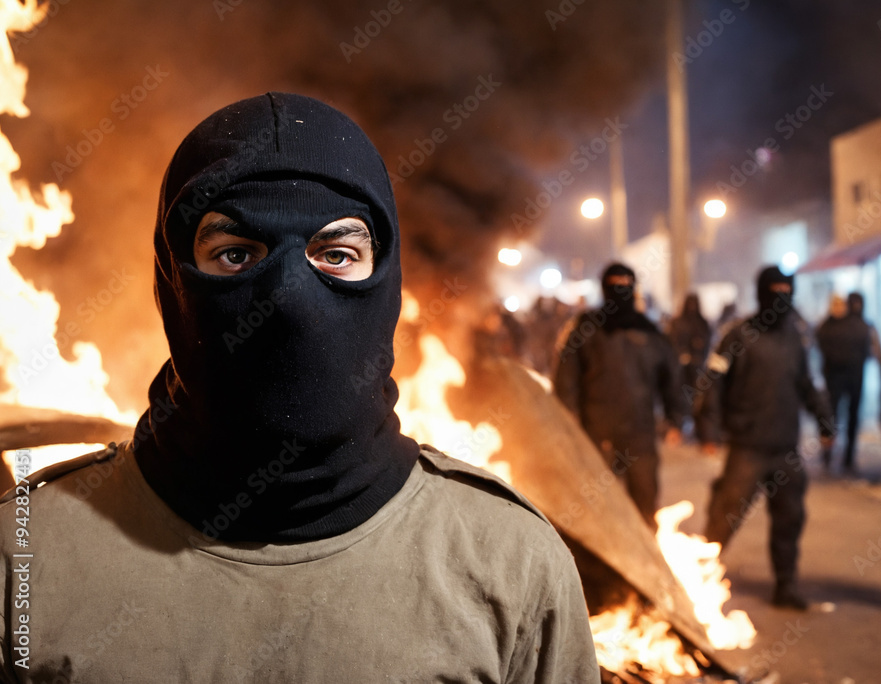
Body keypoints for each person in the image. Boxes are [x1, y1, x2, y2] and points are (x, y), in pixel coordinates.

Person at [0, 93, 599, 682]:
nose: (287, 300)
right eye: (235, 254)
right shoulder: (24, 559)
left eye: (335, 254)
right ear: (170, 284)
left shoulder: (510, 564)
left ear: (387, 283)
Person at [700, 266, 833, 610]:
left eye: (787, 291)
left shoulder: (796, 339)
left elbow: (809, 384)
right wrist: (708, 428)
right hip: (747, 448)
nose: (782, 298)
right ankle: (696, 582)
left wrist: (825, 422)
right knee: (723, 518)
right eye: (775, 290)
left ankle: (786, 585)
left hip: (786, 450)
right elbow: (712, 384)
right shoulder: (737, 335)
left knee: (789, 521)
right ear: (761, 293)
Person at [553, 262, 684, 528]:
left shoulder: (650, 333)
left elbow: (672, 380)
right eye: (616, 286)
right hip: (597, 437)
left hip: (640, 436)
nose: (621, 291)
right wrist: (567, 423)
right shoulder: (585, 328)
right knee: (596, 511)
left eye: (626, 285)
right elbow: (566, 379)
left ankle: (644, 567)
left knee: (645, 509)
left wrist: (676, 419)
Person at [815, 292, 881, 474]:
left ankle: (837, 454)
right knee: (843, 415)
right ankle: (843, 456)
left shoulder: (829, 326)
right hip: (849, 378)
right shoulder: (860, 326)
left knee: (837, 415)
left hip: (841, 377)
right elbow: (871, 352)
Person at [669, 293, 713, 445]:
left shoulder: (702, 323)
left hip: (697, 367)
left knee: (698, 400)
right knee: (681, 400)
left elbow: (706, 342)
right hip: (680, 369)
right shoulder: (677, 322)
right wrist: (681, 356)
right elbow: (672, 342)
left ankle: (699, 431)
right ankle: (678, 428)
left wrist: (697, 357)